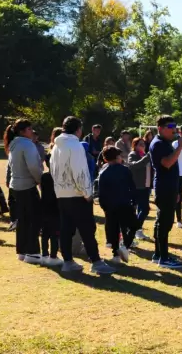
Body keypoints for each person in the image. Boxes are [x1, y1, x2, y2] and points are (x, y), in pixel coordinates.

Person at [52, 116, 115, 275]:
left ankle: (68, 261)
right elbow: (79, 172)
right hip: (77, 194)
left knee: (66, 228)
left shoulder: (56, 146)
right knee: (87, 229)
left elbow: (53, 169)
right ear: (78, 129)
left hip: (61, 193)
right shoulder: (75, 146)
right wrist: (87, 193)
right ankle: (96, 261)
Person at [4, 120, 44, 264]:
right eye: (29, 129)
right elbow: (33, 166)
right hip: (27, 185)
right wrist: (41, 181)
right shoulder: (27, 144)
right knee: (34, 219)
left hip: (16, 186)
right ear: (22, 131)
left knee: (22, 219)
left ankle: (22, 250)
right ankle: (32, 252)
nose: (31, 132)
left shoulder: (13, 144)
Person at [149, 115, 182, 268]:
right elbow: (167, 163)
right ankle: (163, 258)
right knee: (165, 223)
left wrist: (176, 190)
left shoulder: (165, 142)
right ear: (160, 128)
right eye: (170, 127)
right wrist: (180, 147)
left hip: (169, 187)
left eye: (175, 127)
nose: (174, 130)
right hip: (164, 187)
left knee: (162, 222)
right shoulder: (158, 144)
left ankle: (158, 254)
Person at [98, 146, 138, 264]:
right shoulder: (125, 170)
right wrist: (134, 202)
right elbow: (132, 187)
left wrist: (104, 206)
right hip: (124, 204)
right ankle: (125, 246)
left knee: (114, 229)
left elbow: (101, 192)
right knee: (133, 226)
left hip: (110, 206)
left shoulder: (103, 172)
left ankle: (115, 254)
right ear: (117, 157)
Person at [128, 137, 152, 240]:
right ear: (135, 145)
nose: (143, 146)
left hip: (146, 185)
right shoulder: (133, 154)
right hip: (137, 186)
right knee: (144, 209)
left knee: (142, 209)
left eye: (144, 144)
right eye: (140, 144)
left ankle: (138, 230)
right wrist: (147, 157)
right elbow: (133, 166)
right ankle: (134, 229)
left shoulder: (145, 155)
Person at [39, 162, 62, 267]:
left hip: (44, 207)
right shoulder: (58, 177)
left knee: (45, 233)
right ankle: (53, 256)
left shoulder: (44, 176)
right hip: (55, 208)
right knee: (55, 234)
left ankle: (44, 254)